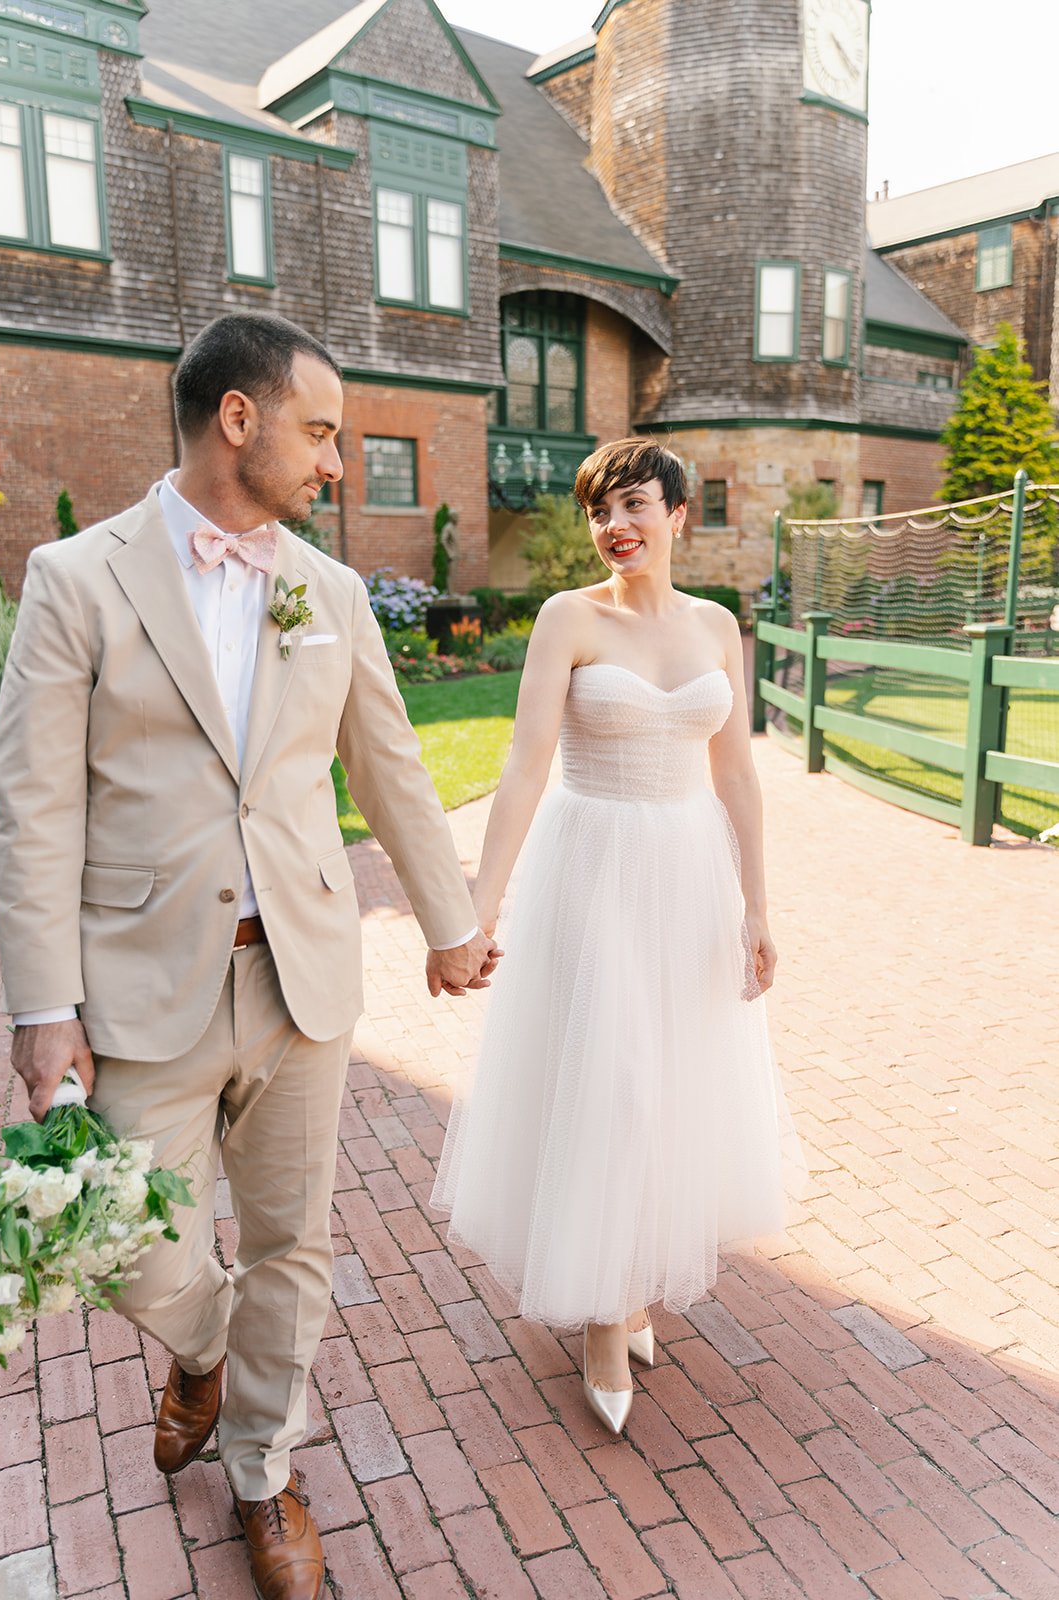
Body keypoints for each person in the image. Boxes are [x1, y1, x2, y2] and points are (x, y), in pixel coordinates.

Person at [0, 311, 498, 1600]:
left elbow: (384, 759)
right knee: (120, 1244)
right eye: (320, 431)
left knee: (293, 1241)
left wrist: (447, 921)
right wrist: (42, 1005)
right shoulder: (75, 578)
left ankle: (266, 1473)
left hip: (303, 976)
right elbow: (33, 805)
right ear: (239, 418)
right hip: (136, 984)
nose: (335, 462)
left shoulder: (326, 593)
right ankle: (204, 1346)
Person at [432, 438, 801, 1435]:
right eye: (599, 511)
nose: (614, 527)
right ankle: (599, 1311)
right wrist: (481, 905)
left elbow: (734, 777)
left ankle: (631, 1282)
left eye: (634, 504)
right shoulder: (566, 617)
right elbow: (520, 768)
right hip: (589, 865)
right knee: (612, 1077)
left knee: (667, 1084)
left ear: (679, 514)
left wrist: (755, 906)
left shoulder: (718, 626)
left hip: (685, 873)